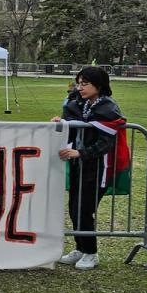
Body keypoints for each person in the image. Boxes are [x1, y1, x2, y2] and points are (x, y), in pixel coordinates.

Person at [52, 66, 129, 271]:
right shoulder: (75, 102)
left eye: (85, 83)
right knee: (75, 207)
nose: (80, 87)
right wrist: (60, 124)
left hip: (99, 167)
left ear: (99, 84)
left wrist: (82, 153)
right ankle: (81, 247)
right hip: (79, 166)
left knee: (85, 208)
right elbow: (71, 127)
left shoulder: (108, 108)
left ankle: (91, 252)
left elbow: (107, 142)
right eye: (79, 83)